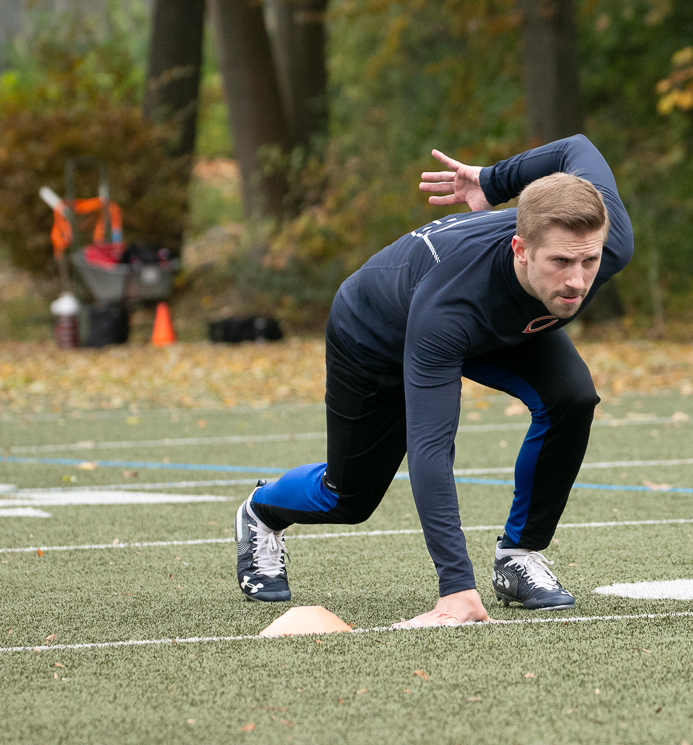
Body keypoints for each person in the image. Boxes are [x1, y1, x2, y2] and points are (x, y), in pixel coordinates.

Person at [233, 135, 633, 628]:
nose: (577, 281)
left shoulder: (606, 240)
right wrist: (456, 589)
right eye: (561, 263)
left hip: (503, 321)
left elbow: (577, 146)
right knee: (348, 497)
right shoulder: (450, 306)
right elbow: (431, 447)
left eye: (588, 262)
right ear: (521, 248)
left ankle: (518, 556)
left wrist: (491, 181)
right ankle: (263, 510)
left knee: (572, 397)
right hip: (377, 332)